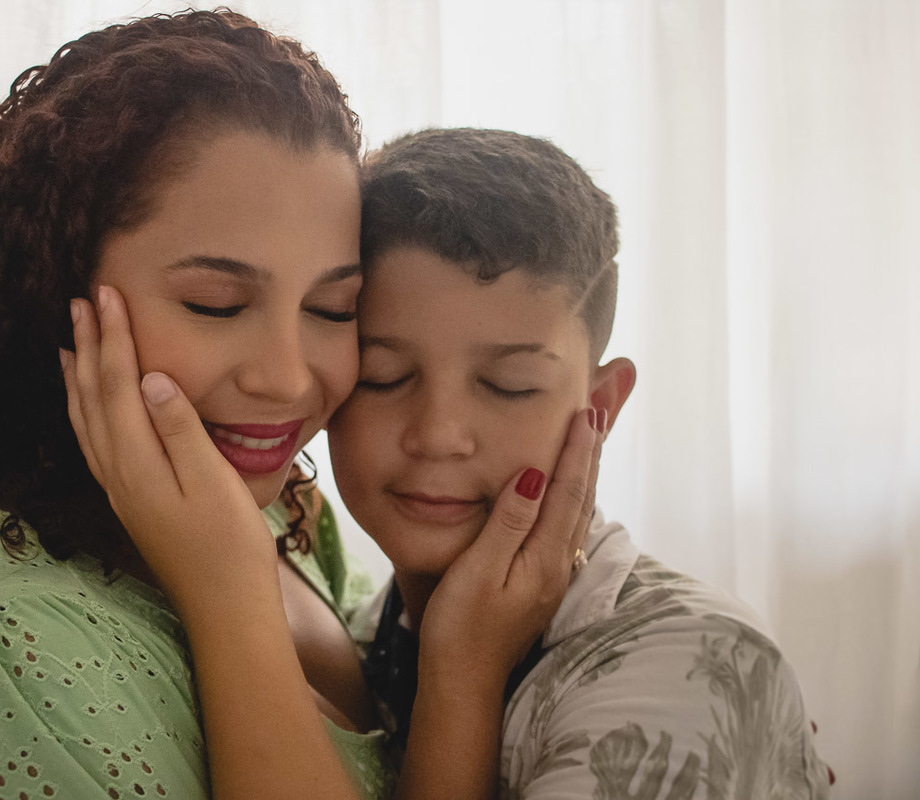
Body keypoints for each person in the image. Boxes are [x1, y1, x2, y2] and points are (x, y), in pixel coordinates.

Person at [0, 11, 598, 800]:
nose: (287, 379)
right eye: (215, 303)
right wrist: (229, 592)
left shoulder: (287, 511)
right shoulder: (11, 643)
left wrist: (462, 664)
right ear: (54, 294)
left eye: (333, 309)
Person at [325, 127, 835, 798]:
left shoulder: (687, 664)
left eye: (509, 386)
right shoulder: (359, 641)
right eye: (382, 374)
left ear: (600, 405)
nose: (439, 435)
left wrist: (463, 677)